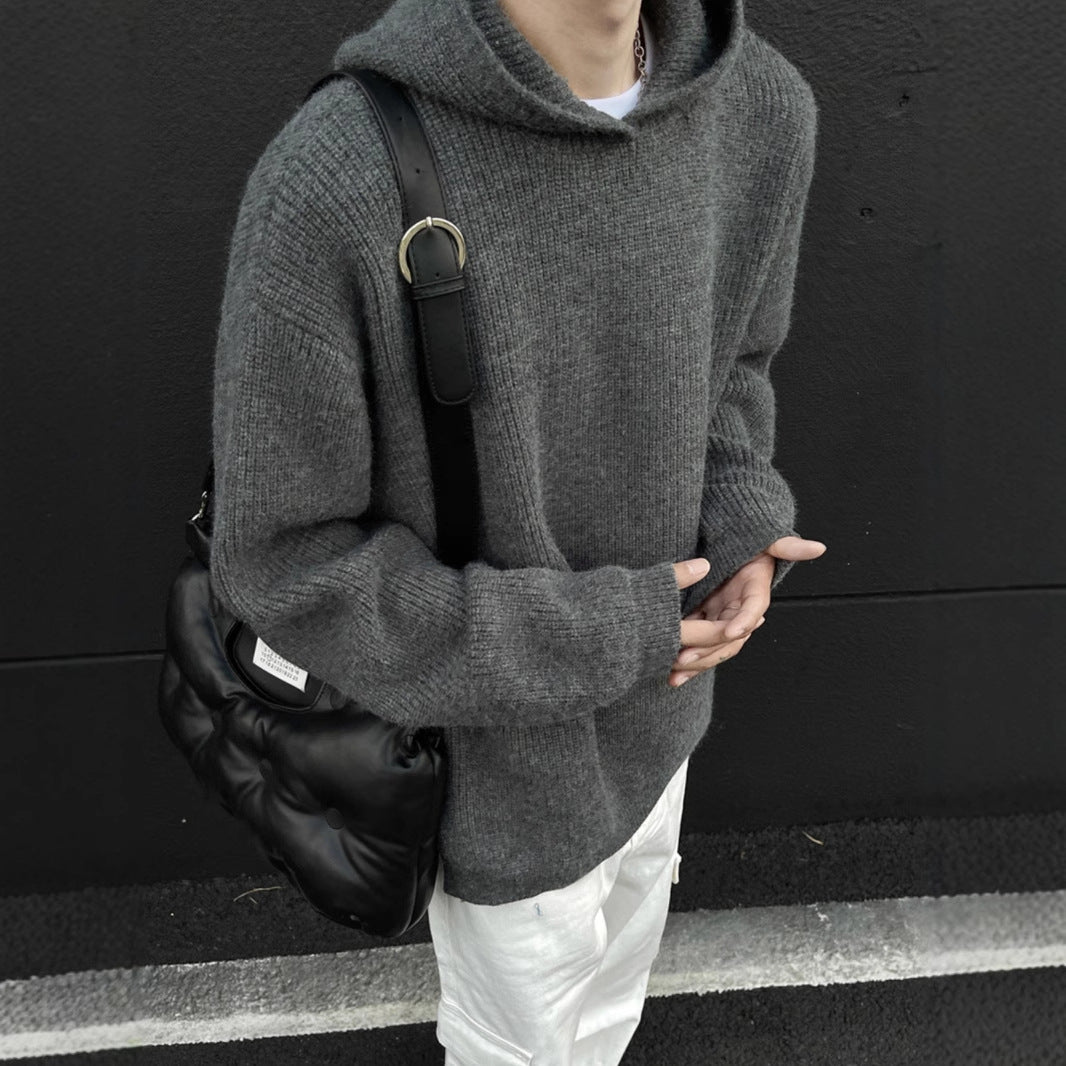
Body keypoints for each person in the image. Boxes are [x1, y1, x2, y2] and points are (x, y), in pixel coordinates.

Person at [208, 0, 826, 1061]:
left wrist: (741, 517)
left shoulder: (759, 108)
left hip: (664, 730)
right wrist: (612, 636)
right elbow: (286, 564)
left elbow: (730, 368)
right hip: (502, 787)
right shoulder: (337, 178)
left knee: (610, 1022)